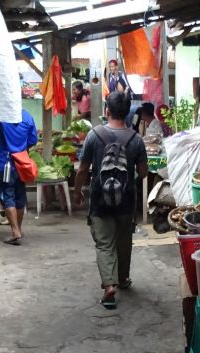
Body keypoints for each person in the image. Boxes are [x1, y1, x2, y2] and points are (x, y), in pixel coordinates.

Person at [74, 92, 147, 309]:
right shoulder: (136, 139)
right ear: (127, 113)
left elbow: (83, 169)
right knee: (124, 241)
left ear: (107, 110)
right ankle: (123, 279)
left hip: (99, 199)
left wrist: (78, 191)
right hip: (126, 200)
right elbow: (143, 173)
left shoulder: (94, 135)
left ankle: (109, 286)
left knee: (105, 243)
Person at [0, 108, 38, 246]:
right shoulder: (27, 116)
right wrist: (20, 148)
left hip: (4, 164)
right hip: (21, 164)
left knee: (7, 197)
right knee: (20, 196)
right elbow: (33, 139)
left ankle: (15, 232)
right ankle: (18, 228)